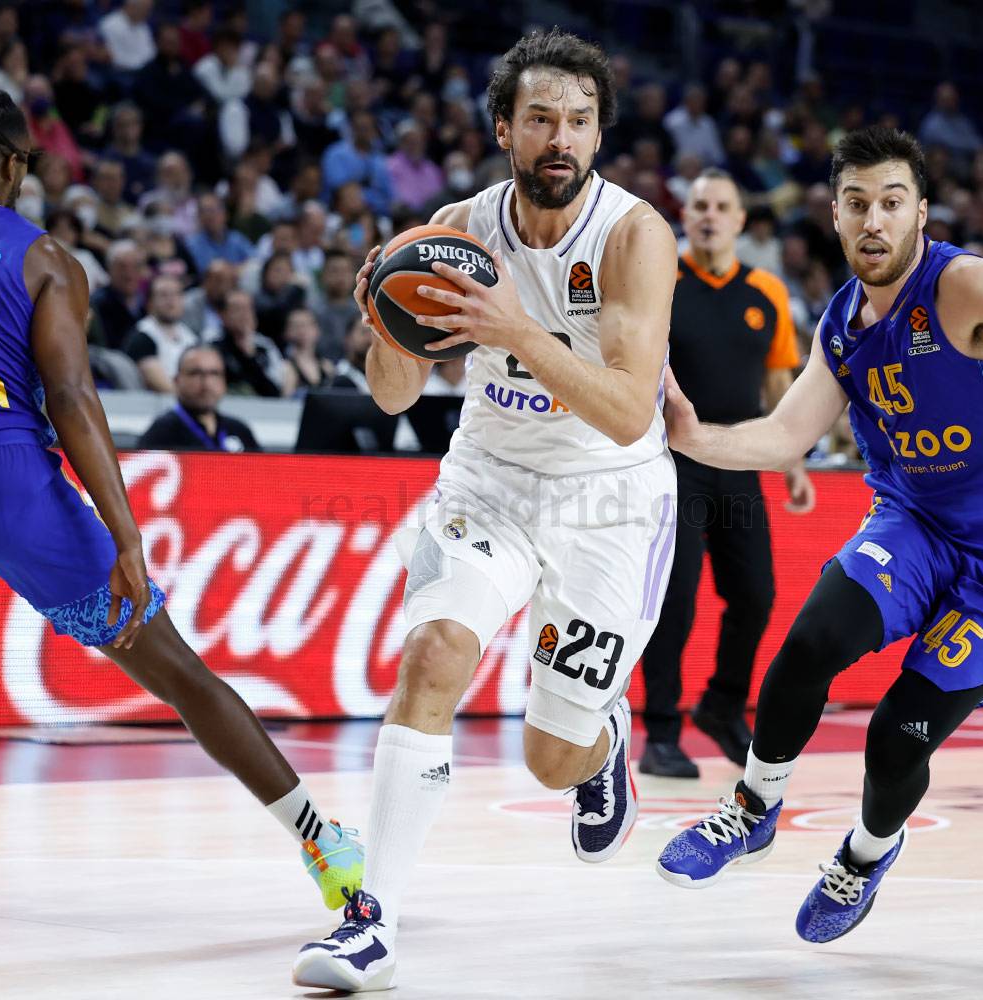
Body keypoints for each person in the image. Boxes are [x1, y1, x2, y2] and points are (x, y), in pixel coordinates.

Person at [0, 80, 361, 914]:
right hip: (20, 487)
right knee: (178, 671)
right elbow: (74, 400)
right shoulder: (45, 257)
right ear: (13, 165)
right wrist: (126, 536)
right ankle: (323, 844)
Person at [654, 127, 983, 942]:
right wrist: (694, 438)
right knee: (810, 641)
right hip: (912, 524)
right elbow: (784, 435)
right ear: (835, 217)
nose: (873, 220)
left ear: (920, 213)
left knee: (894, 739)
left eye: (891, 202)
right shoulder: (840, 325)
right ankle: (753, 808)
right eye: (856, 204)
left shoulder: (967, 285)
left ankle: (865, 855)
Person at [294, 30, 678, 993]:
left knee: (550, 758)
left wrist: (516, 329)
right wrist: (387, 323)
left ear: (599, 135)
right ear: (504, 129)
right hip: (489, 481)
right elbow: (392, 396)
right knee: (432, 657)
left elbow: (629, 412)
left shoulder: (633, 237)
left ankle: (601, 746)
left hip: (610, 499)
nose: (562, 139)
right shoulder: (458, 229)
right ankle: (371, 922)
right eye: (542, 119)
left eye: (580, 121)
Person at [638, 169, 814, 779]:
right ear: (685, 217)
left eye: (721, 206)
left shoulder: (766, 291)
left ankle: (722, 706)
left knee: (756, 596)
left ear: (741, 220)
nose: (709, 215)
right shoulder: (662, 282)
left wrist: (792, 461)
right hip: (672, 466)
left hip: (739, 463)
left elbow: (779, 383)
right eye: (700, 206)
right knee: (675, 600)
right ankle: (661, 731)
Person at [136, 344, 261, 452]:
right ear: (177, 380)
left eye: (214, 373)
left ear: (224, 382)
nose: (207, 383)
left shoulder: (240, 431)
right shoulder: (161, 434)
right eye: (196, 373)